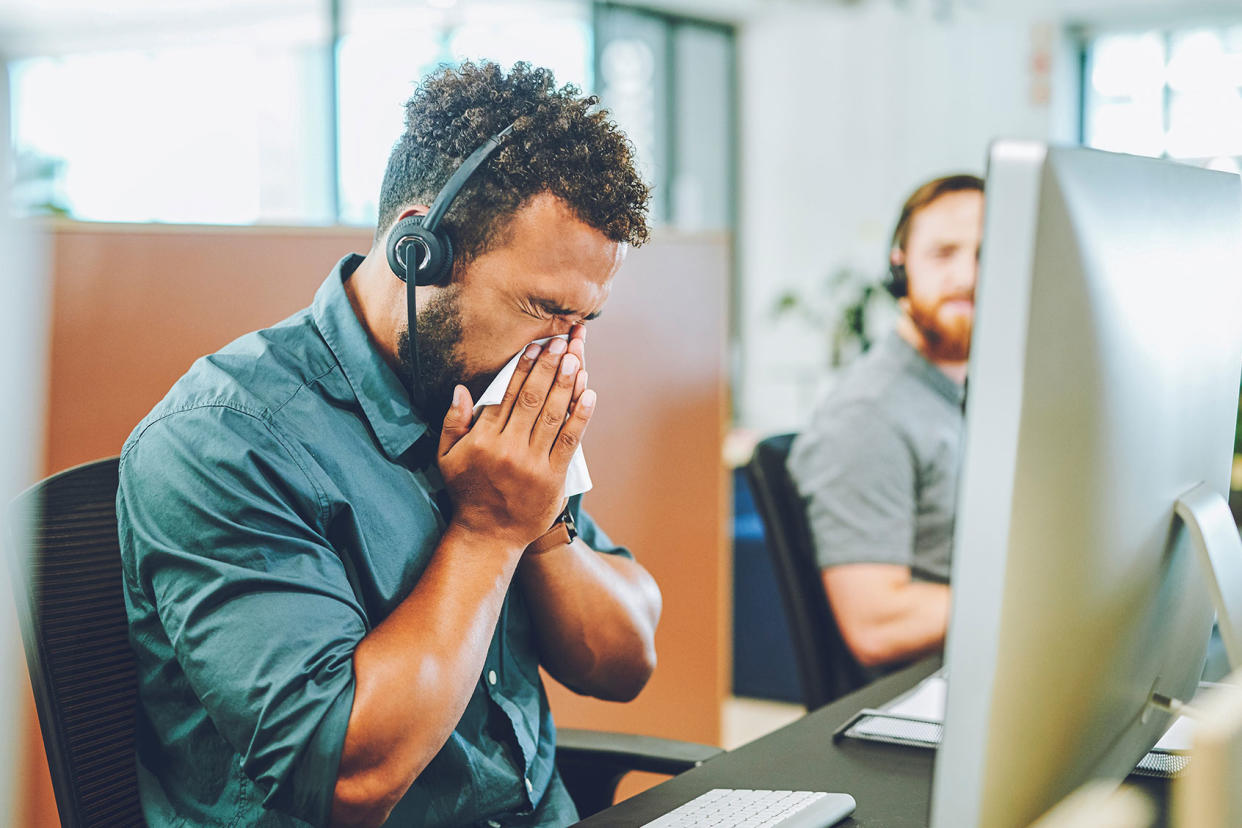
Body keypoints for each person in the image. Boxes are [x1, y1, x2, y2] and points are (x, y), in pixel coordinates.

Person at [116, 61, 662, 828]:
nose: (562, 354)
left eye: (583, 322)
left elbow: (626, 659)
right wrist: (486, 532)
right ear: (418, 250)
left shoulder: (496, 405)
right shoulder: (220, 441)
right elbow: (349, 777)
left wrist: (540, 527)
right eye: (544, 308)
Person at [787, 174, 984, 672]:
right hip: (929, 706)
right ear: (901, 267)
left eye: (987, 255)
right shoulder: (870, 415)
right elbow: (876, 622)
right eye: (943, 253)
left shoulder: (968, 396)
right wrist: (1042, 598)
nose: (967, 276)